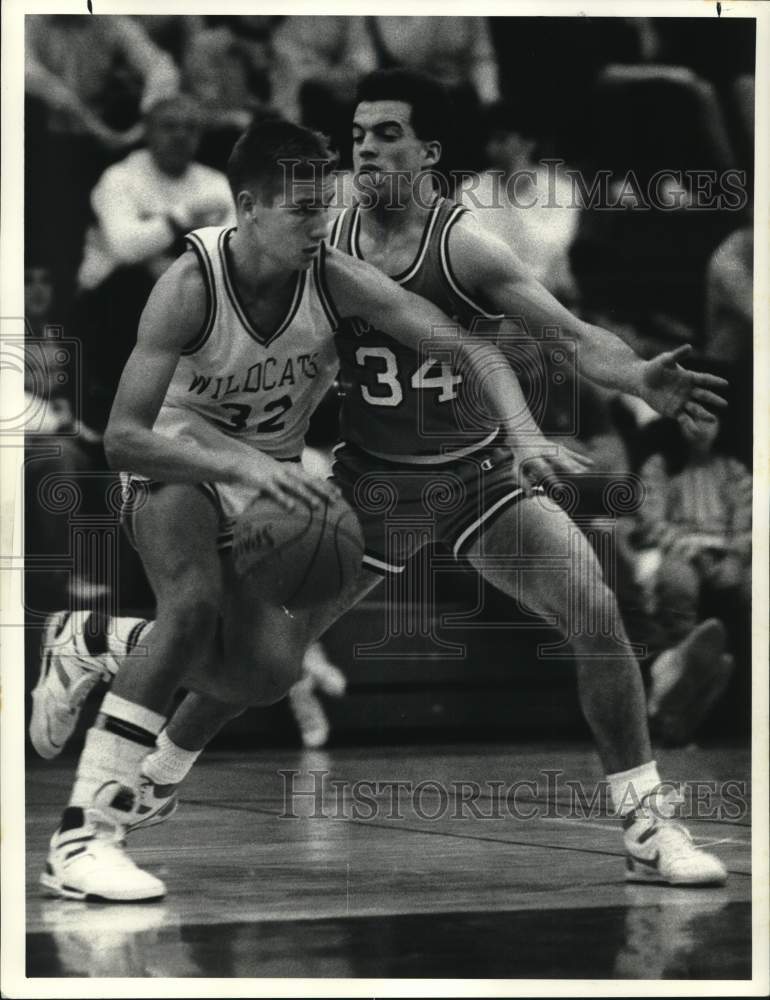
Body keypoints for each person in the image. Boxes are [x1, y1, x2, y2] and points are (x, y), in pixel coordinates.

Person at [34, 72, 730, 898]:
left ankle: (648, 826)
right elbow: (131, 426)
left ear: (428, 153)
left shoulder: (457, 244)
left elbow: (567, 338)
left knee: (598, 615)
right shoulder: (305, 234)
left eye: (386, 135)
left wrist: (627, 384)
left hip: (477, 478)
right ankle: (151, 772)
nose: (365, 149)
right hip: (367, 488)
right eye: (358, 134)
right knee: (257, 655)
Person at [75, 93, 235, 430]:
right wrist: (183, 216)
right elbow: (125, 248)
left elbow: (231, 254)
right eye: (169, 126)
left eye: (190, 128)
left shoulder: (215, 183)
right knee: (135, 285)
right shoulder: (120, 178)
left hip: (187, 295)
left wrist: (174, 268)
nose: (180, 135)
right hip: (113, 302)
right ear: (147, 131)